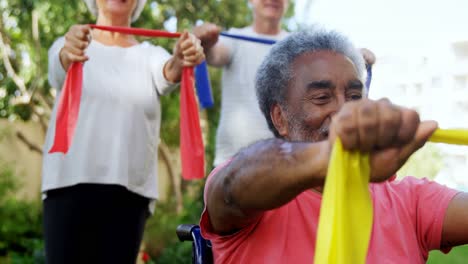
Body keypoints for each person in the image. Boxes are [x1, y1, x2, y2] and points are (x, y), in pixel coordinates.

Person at [199, 27, 468, 263]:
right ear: (280, 118)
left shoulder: (410, 200)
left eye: (354, 95)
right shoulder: (250, 188)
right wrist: (332, 155)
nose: (343, 110)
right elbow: (233, 188)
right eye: (322, 97)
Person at [42, 0, 205, 263]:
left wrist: (181, 57)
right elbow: (59, 66)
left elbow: (170, 70)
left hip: (129, 194)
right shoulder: (69, 43)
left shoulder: (150, 54)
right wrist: (67, 50)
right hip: (67, 186)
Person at [193, 0, 376, 167]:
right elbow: (214, 55)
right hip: (236, 160)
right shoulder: (234, 39)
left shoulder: (300, 47)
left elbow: (331, 69)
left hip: (287, 162)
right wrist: (205, 42)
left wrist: (354, 60)